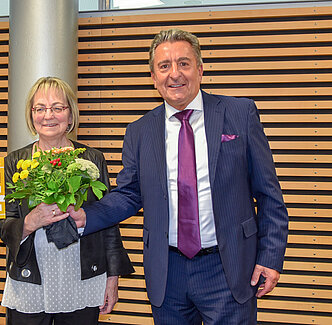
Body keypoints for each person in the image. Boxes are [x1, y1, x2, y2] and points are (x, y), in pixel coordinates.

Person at [68, 29, 289, 324]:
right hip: (167, 271)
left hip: (228, 267)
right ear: (153, 76)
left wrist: (270, 257)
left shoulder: (240, 113)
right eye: (164, 66)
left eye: (183, 63)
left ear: (200, 69)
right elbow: (129, 194)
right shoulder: (140, 131)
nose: (175, 74)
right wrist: (87, 216)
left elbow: (269, 194)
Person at [0, 77, 134, 325]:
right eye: (40, 108)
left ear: (70, 115)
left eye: (58, 107)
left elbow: (109, 224)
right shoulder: (15, 162)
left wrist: (112, 279)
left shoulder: (92, 159)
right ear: (31, 115)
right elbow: (2, 224)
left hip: (82, 278)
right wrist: (30, 222)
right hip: (30, 280)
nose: (49, 115)